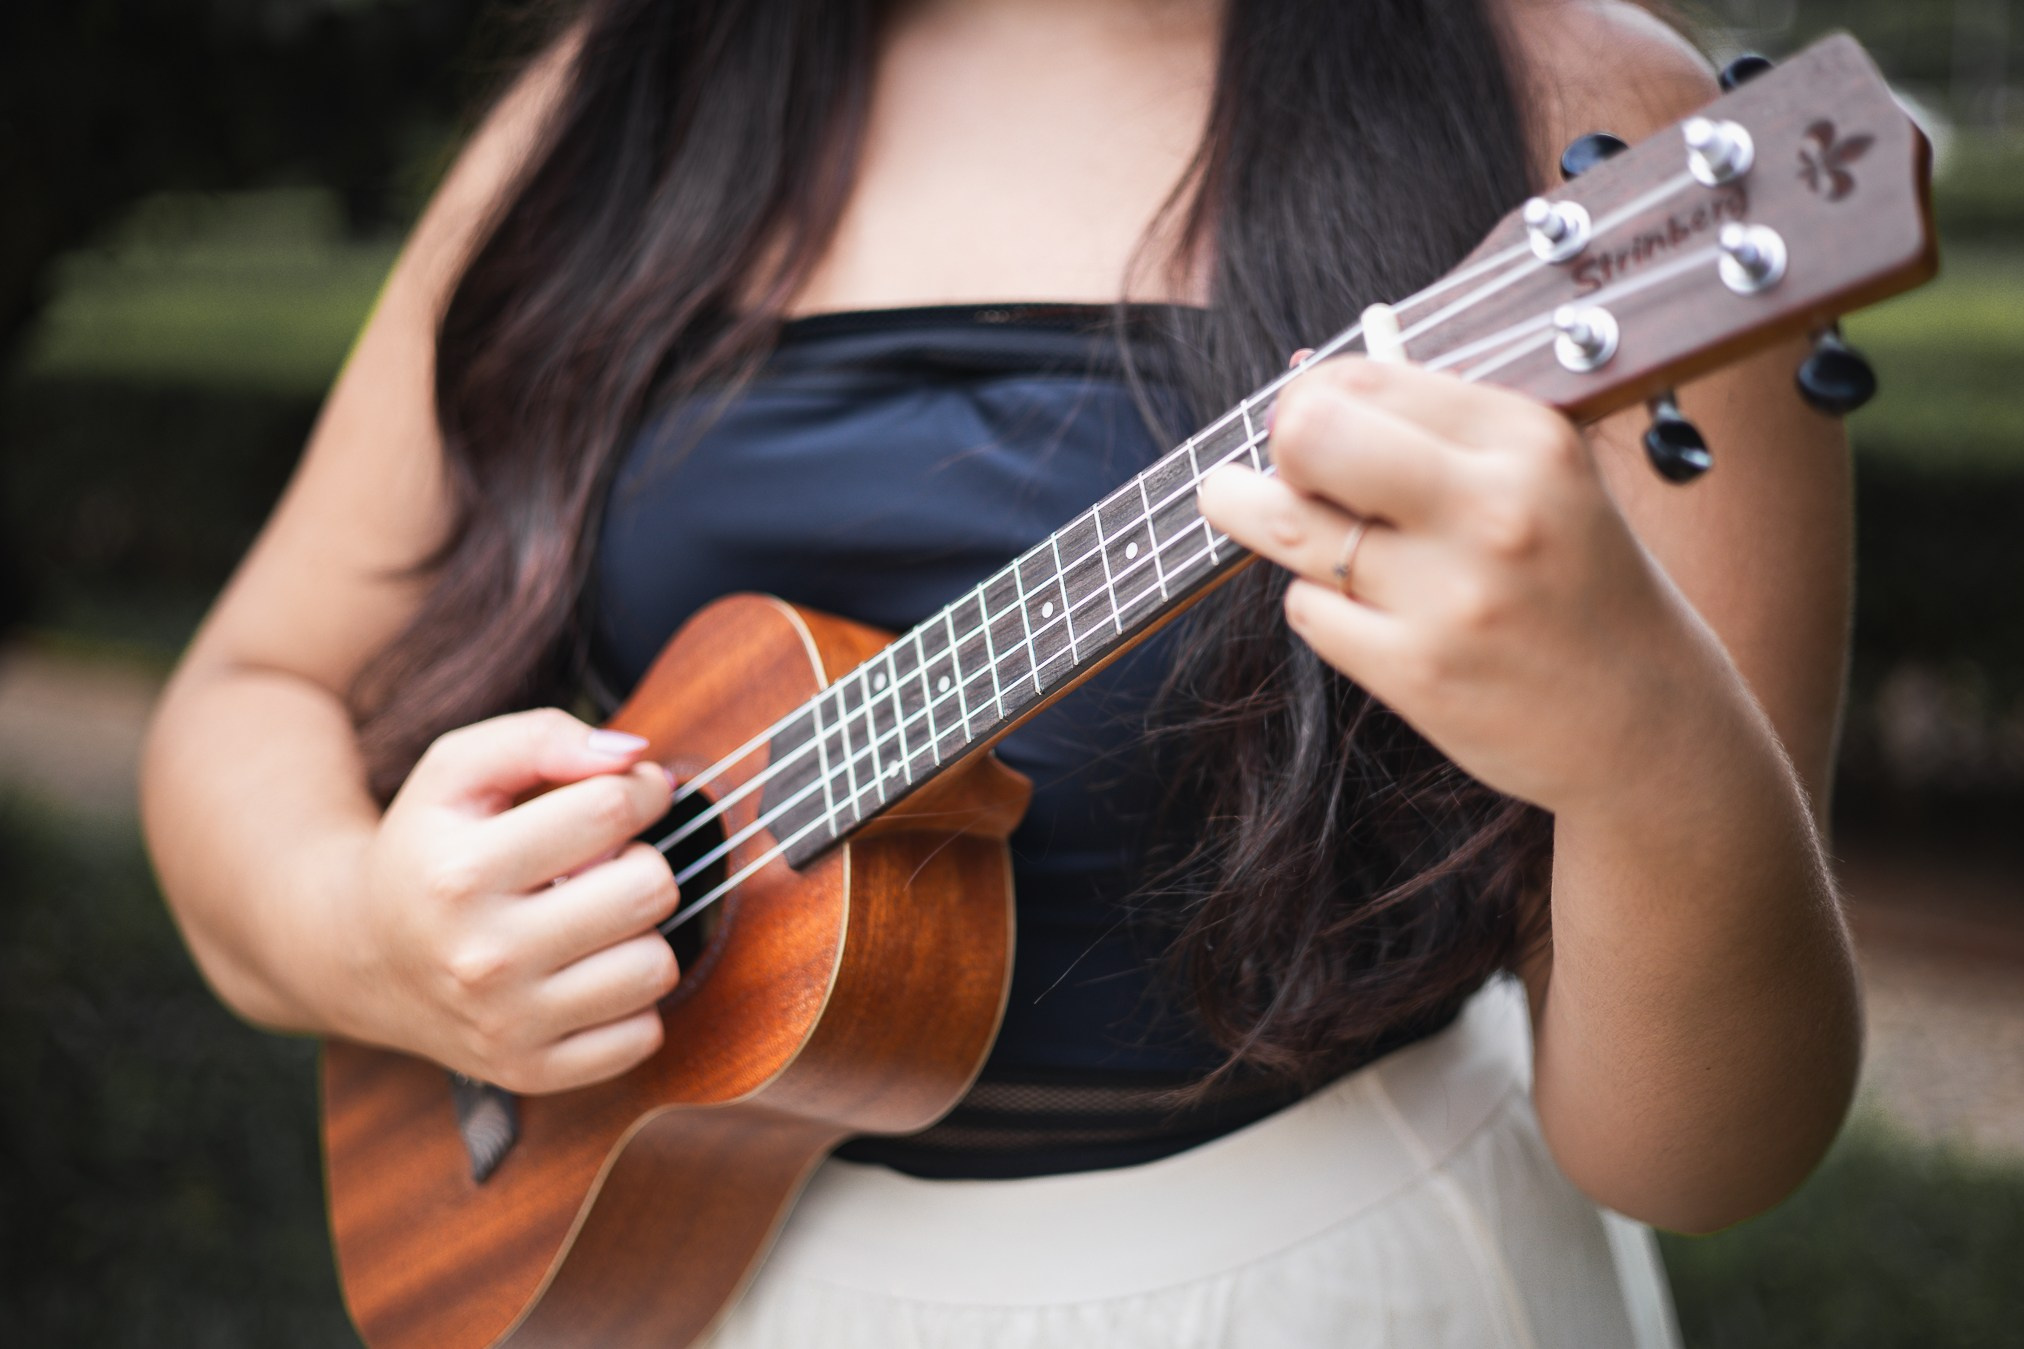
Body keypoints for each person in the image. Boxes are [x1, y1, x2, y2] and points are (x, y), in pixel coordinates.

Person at [140, 0, 1863, 1342]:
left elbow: (1706, 1155)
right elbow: (252, 688)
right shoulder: (612, 107)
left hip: (1317, 1287)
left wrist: (1647, 749)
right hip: (672, 1290)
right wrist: (371, 936)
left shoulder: (1606, 129)